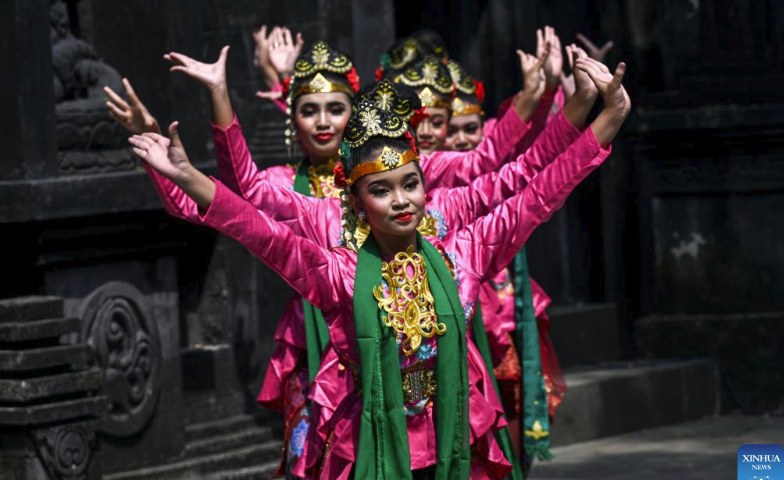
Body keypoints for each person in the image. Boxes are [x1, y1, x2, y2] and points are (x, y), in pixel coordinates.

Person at [127, 53, 630, 479]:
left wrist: (605, 115)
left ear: (425, 183)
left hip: (453, 432)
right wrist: (190, 174)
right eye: (380, 190)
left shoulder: (464, 251)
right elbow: (254, 224)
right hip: (368, 438)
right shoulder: (337, 270)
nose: (401, 201)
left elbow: (537, 190)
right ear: (356, 201)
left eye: (410, 184)